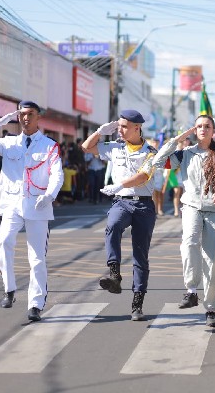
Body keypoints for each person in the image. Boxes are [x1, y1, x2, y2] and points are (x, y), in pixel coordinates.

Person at [151, 115, 215, 327]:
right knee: (188, 242)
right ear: (194, 130)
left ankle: (211, 309)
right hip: (191, 206)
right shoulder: (185, 154)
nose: (203, 130)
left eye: (207, 126)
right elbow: (157, 161)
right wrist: (178, 138)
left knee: (213, 260)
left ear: (213, 131)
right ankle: (191, 290)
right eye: (199, 127)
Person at [81, 109, 157, 321]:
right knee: (113, 225)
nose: (120, 130)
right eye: (118, 126)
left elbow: (143, 176)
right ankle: (114, 273)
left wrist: (119, 185)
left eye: (124, 127)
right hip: (121, 202)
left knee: (140, 256)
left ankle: (137, 303)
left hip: (143, 206)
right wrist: (99, 132)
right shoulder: (114, 147)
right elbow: (86, 148)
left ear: (137, 127)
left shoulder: (151, 151)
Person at [0, 101, 64, 322]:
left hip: (37, 205)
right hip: (12, 204)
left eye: (30, 114)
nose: (25, 118)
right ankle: (9, 289)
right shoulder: (8, 143)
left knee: (37, 258)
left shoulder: (49, 145)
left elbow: (57, 174)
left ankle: (35, 304)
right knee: (4, 241)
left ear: (38, 117)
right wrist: (1, 121)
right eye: (22, 114)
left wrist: (50, 195)